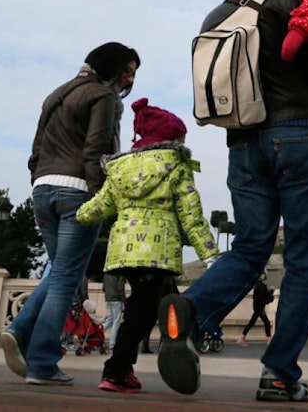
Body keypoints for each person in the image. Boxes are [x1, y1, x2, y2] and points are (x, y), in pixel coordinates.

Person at [156, 0, 308, 402]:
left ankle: (192, 307)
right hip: (297, 135)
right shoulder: (283, 1)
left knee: (250, 246)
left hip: (241, 144)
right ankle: (278, 374)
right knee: (301, 257)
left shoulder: (214, 17)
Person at [0, 42, 140, 386]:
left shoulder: (56, 94)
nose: (128, 80)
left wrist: (37, 182)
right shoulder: (103, 98)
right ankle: (42, 363)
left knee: (60, 270)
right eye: (128, 72)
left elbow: (36, 149)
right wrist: (102, 198)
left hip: (43, 188)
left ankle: (18, 331)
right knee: (65, 279)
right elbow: (97, 150)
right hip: (76, 189)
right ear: (113, 68)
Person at [76, 98, 219, 393]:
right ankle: (117, 371)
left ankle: (176, 346)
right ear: (172, 138)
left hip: (124, 252)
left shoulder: (119, 168)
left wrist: (77, 216)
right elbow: (191, 216)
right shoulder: (177, 165)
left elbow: (100, 206)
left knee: (167, 300)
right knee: (142, 312)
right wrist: (210, 254)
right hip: (159, 251)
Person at [238, 273, 275, 347]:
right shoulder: (260, 286)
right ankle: (269, 339)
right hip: (260, 308)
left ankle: (242, 337)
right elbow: (263, 297)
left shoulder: (257, 285)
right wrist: (271, 292)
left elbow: (262, 296)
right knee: (265, 322)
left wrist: (270, 293)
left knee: (253, 322)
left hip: (258, 307)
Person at [102, 274, 127, 351]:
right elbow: (120, 288)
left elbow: (103, 288)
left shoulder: (106, 274)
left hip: (108, 298)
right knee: (116, 322)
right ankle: (112, 344)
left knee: (109, 320)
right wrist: (124, 300)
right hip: (117, 299)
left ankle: (95, 334)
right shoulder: (120, 274)